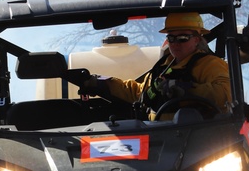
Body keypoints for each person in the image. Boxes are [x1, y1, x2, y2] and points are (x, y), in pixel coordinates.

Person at [80, 12, 232, 119]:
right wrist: (100, 83)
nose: (175, 43)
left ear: (197, 39)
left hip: (197, 139)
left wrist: (187, 90)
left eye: (183, 38)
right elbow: (139, 92)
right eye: (171, 38)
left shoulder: (210, 65)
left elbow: (226, 94)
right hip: (157, 137)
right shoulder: (164, 66)